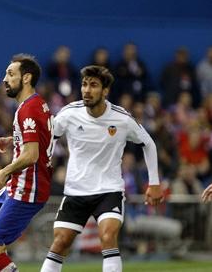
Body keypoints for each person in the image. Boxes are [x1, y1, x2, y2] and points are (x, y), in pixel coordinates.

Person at [40, 65, 163, 272]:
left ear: (105, 91)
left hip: (109, 190)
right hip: (76, 191)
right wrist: (20, 144)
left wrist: (154, 183)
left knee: (107, 236)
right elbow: (45, 137)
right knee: (60, 242)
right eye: (84, 84)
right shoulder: (69, 114)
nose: (87, 90)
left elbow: (148, 144)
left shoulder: (122, 118)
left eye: (94, 85)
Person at [0, 55, 54, 272]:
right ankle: (4, 262)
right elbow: (44, 134)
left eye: (11, 74)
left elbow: (31, 155)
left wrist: (4, 171)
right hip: (20, 184)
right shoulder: (35, 104)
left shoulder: (28, 109)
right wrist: (13, 139)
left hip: (28, 187)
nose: (4, 79)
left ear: (26, 78)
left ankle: (1, 259)